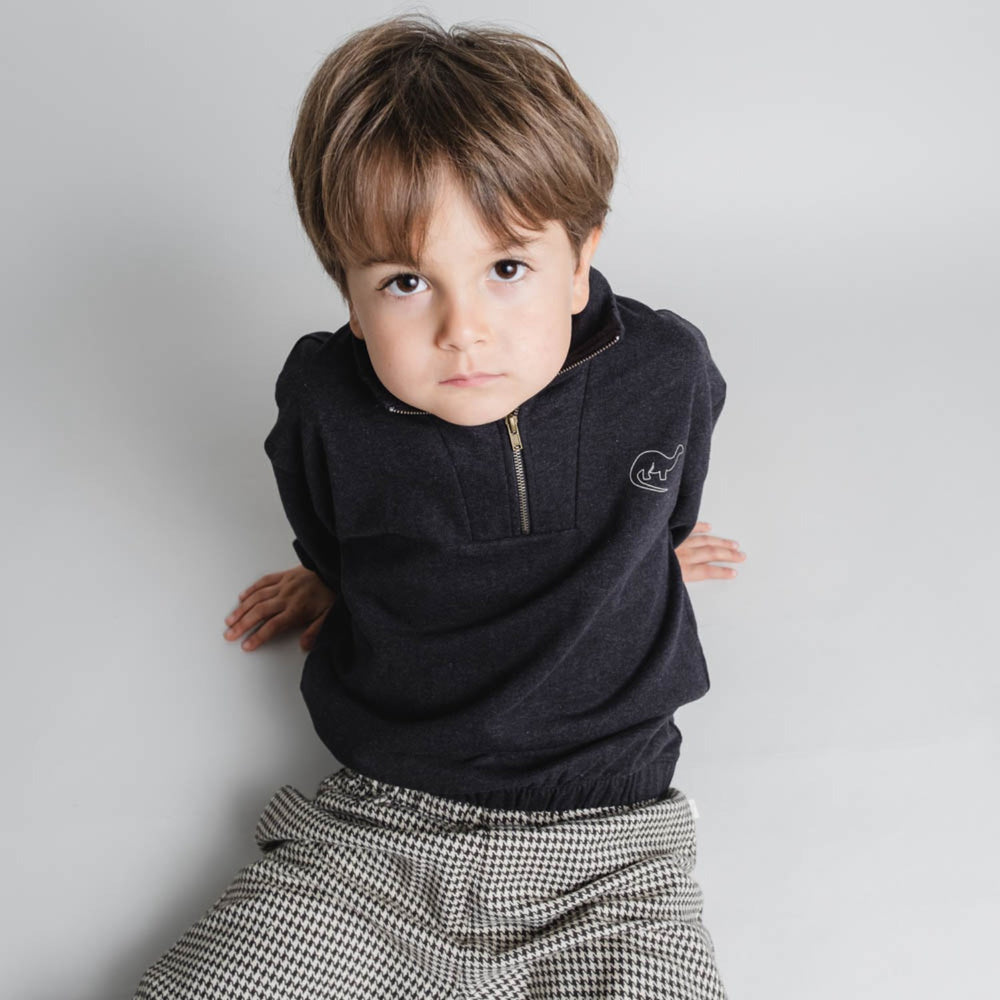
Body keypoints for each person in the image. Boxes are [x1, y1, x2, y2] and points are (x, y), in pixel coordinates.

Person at [134, 13, 747, 1000]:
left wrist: (650, 549)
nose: (464, 331)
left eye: (507, 269)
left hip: (610, 854)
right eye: (407, 281)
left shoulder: (662, 371)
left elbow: (675, 475)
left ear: (579, 259)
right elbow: (322, 511)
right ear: (347, 290)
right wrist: (330, 578)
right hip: (375, 836)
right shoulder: (328, 402)